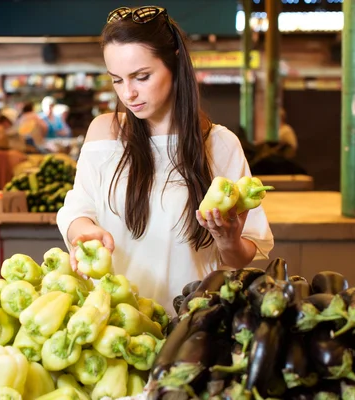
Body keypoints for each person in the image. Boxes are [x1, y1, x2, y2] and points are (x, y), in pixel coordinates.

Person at [56, 5, 274, 313]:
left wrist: (228, 240)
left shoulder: (219, 145)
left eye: (141, 76)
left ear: (174, 63)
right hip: (113, 326)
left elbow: (243, 256)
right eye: (117, 80)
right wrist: (82, 229)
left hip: (189, 326)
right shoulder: (104, 132)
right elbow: (78, 207)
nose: (128, 93)